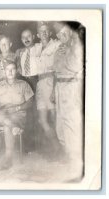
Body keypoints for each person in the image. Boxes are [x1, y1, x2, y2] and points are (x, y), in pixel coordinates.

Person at [0, 60, 34, 170]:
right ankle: (13, 127)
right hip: (3, 114)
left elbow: (31, 102)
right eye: (7, 69)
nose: (10, 72)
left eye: (12, 69)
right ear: (4, 71)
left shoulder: (23, 84)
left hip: (18, 115)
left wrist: (18, 107)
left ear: (17, 71)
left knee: (6, 125)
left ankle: (8, 159)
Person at [53, 22, 84, 180]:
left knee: (71, 124)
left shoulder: (77, 46)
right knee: (60, 126)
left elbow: (74, 66)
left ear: (70, 33)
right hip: (60, 86)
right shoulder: (59, 49)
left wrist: (67, 54)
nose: (61, 36)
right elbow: (55, 68)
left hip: (72, 86)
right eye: (59, 35)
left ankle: (76, 163)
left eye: (64, 33)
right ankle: (69, 156)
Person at [35, 21, 62, 157]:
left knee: (54, 118)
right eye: (41, 31)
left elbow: (58, 69)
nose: (44, 33)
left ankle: (60, 149)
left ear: (50, 33)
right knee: (42, 119)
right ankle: (56, 147)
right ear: (38, 34)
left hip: (51, 82)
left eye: (46, 31)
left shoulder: (56, 45)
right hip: (40, 84)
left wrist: (54, 90)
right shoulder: (36, 48)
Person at [15, 29, 39, 153]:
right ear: (21, 39)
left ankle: (37, 146)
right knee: (26, 114)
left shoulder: (39, 48)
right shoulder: (20, 52)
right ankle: (27, 146)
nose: (26, 39)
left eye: (29, 36)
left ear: (34, 36)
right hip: (25, 81)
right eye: (23, 37)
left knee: (36, 113)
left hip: (36, 81)